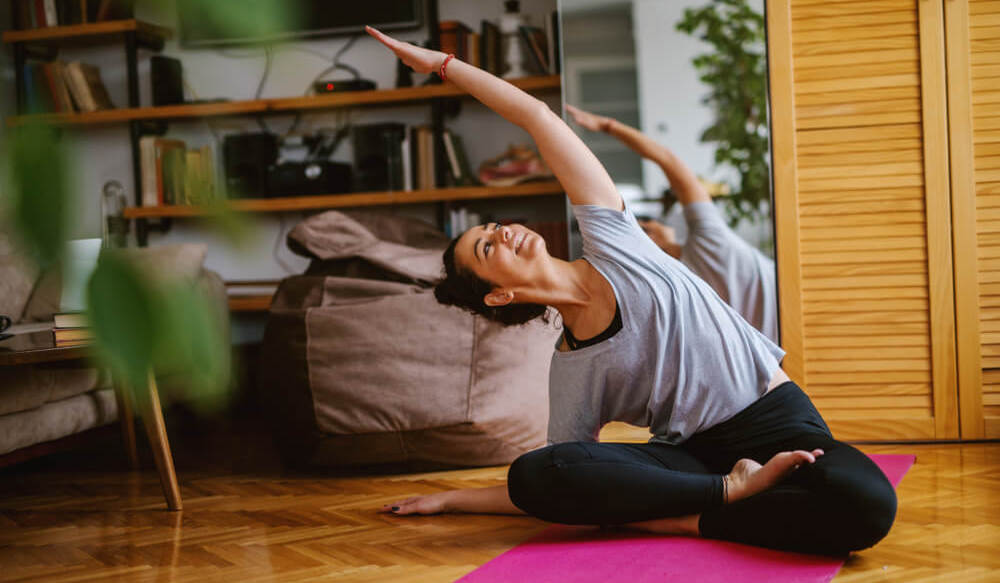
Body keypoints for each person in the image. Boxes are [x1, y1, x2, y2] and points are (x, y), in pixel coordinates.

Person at [367, 26, 896, 556]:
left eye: (491, 225)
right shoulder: (573, 371)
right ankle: (726, 494)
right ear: (500, 296)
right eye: (487, 249)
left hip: (777, 419)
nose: (501, 231)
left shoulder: (611, 237)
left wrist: (442, 64)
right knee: (535, 471)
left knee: (867, 505)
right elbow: (564, 475)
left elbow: (537, 117)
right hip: (693, 461)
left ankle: (687, 520)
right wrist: (454, 499)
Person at [565, 104, 778, 342]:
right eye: (644, 228)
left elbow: (669, 162)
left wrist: (609, 126)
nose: (652, 228)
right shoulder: (708, 244)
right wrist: (608, 126)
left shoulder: (673, 291)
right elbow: (670, 162)